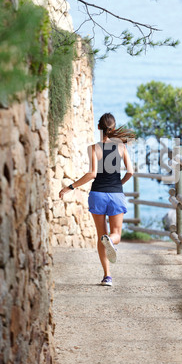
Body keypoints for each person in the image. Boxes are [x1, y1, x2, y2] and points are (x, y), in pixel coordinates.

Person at [59, 113, 135, 287]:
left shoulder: (94, 148)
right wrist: (119, 184)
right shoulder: (122, 147)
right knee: (115, 235)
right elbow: (130, 172)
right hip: (116, 194)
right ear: (114, 128)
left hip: (97, 195)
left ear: (99, 128)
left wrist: (70, 187)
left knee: (101, 235)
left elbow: (92, 174)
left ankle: (107, 276)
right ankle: (111, 241)